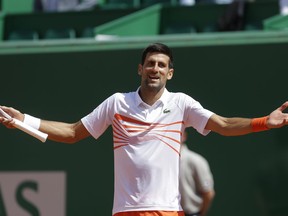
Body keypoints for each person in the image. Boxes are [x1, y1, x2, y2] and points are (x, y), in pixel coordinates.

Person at [0, 43, 288, 216]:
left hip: (167, 211)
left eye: (162, 65)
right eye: (150, 64)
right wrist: (25, 119)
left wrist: (264, 121)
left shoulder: (181, 104)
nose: (155, 69)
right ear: (140, 69)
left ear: (169, 73)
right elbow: (74, 132)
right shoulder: (117, 103)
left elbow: (224, 125)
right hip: (126, 211)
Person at [179, 131, 215, 216]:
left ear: (184, 136)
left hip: (191, 213)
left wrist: (201, 214)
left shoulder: (196, 161)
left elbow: (208, 193)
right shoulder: (161, 161)